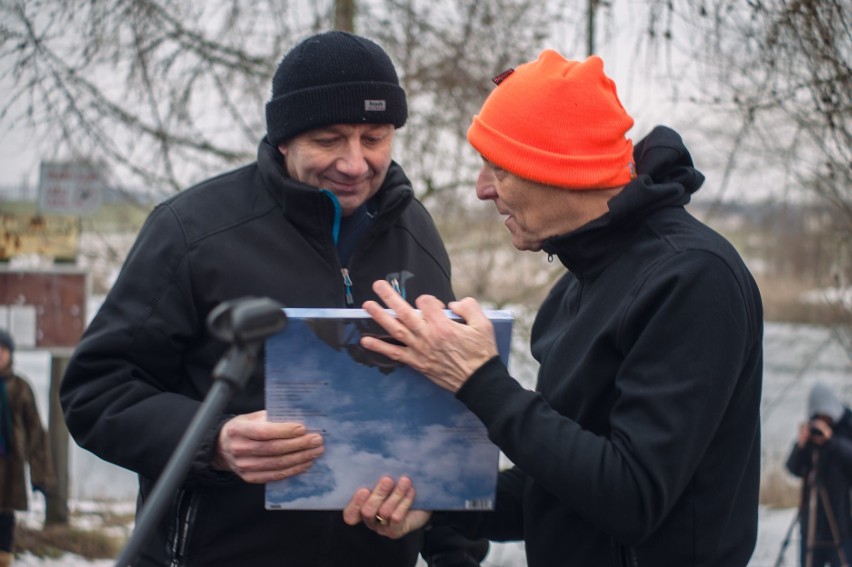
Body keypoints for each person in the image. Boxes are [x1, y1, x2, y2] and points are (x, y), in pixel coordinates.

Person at [59, 31, 487, 567]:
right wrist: (214, 441)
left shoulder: (416, 230)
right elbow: (94, 392)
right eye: (330, 139)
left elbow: (446, 409)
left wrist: (455, 556)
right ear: (284, 138)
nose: (355, 163)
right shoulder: (191, 231)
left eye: (373, 137)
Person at [342, 50, 765, 566]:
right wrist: (436, 507)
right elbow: (561, 486)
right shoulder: (576, 288)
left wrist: (478, 379)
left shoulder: (693, 278)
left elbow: (631, 498)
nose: (481, 189)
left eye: (498, 168)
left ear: (557, 168)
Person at [0, 330, 55, 567]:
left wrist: (40, 476)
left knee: (5, 520)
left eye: (3, 351)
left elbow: (36, 434)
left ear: (10, 355)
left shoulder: (21, 388)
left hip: (10, 466)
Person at [786, 382, 852, 567]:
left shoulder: (846, 428)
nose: (822, 419)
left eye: (826, 415)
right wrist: (801, 445)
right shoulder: (811, 436)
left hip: (842, 523)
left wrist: (831, 441)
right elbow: (793, 468)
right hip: (812, 524)